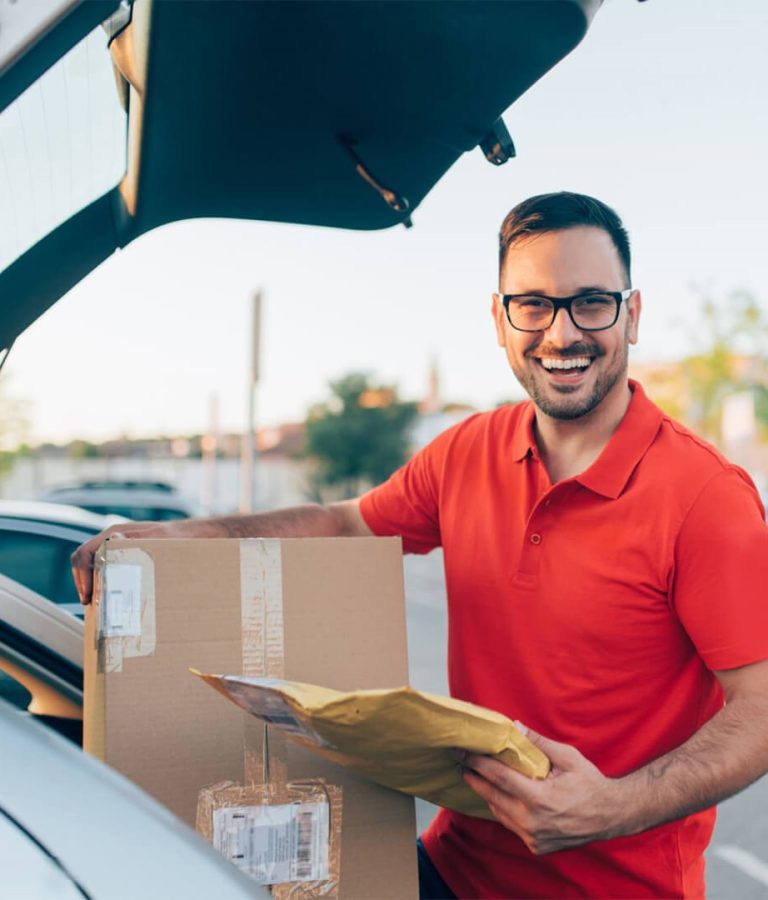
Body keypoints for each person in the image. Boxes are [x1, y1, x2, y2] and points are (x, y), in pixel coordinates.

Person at [73, 192, 768, 899]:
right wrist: (170, 540)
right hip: (454, 872)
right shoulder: (467, 452)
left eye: (592, 302)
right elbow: (343, 524)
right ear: (500, 320)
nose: (563, 334)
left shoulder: (704, 497)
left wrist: (611, 808)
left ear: (634, 314)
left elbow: (761, 711)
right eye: (533, 304)